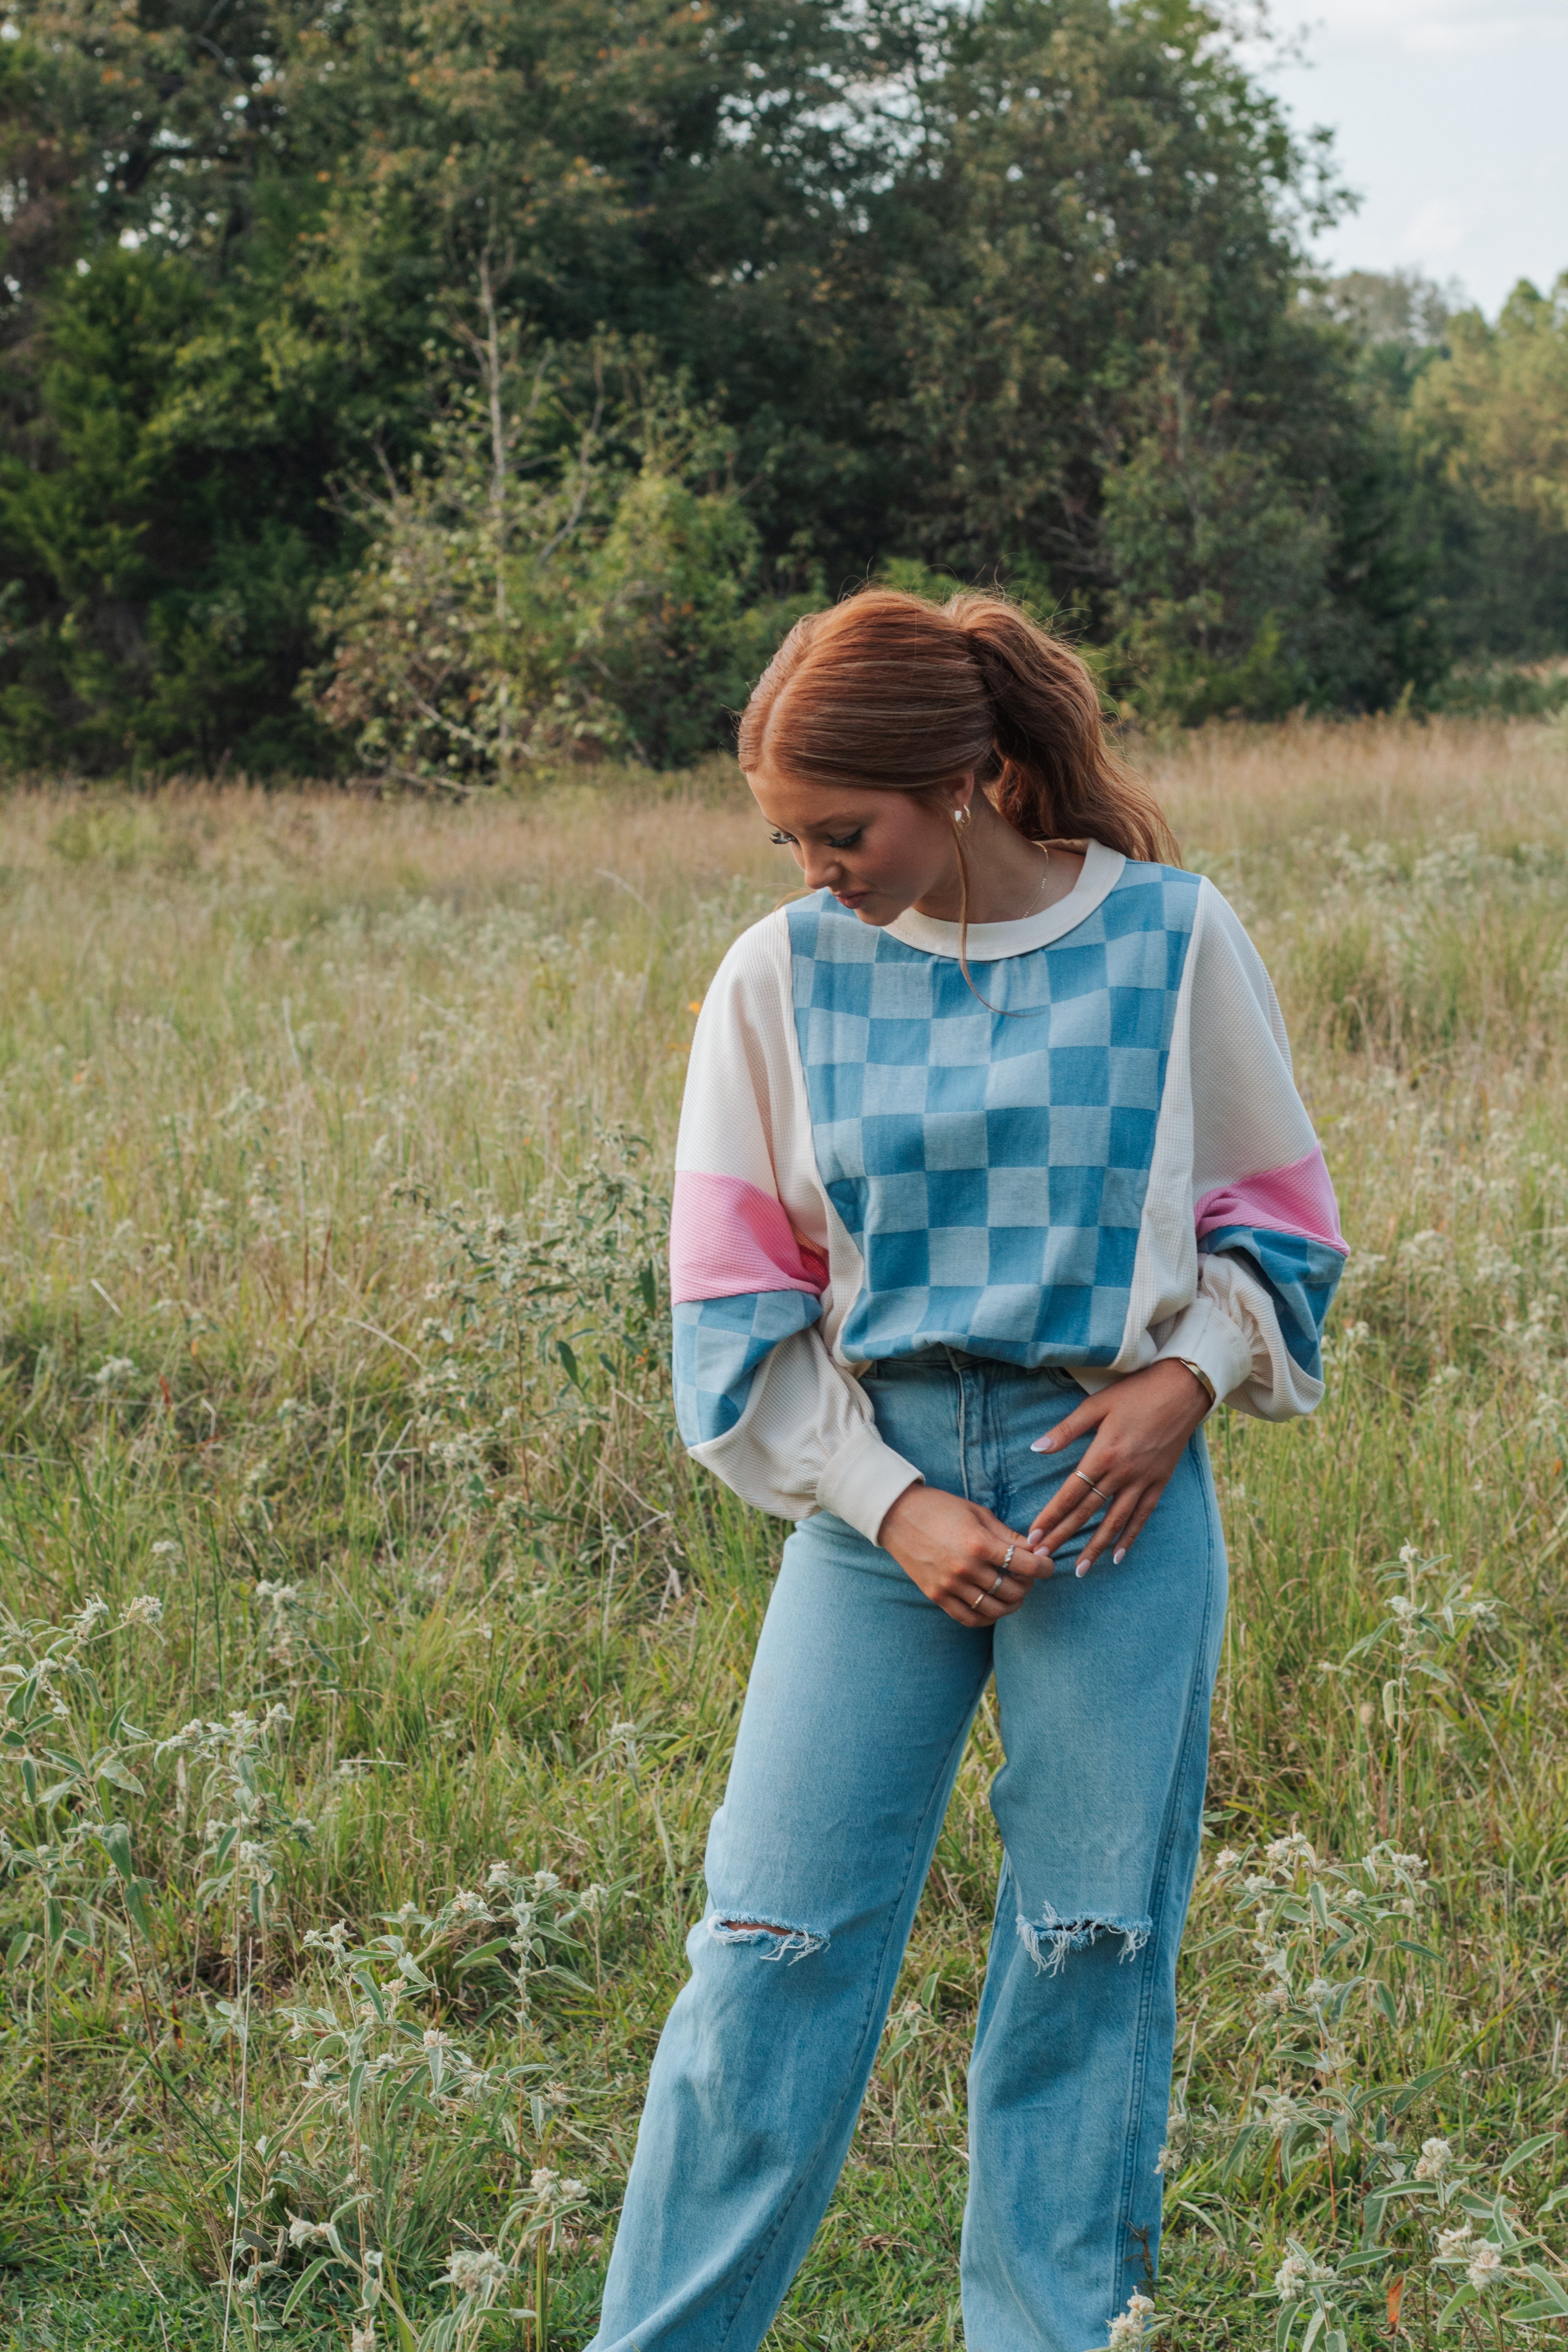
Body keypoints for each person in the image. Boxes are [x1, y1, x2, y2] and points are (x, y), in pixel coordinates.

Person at [588, 590, 1346, 2352]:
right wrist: (892, 1500)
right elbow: (728, 1304)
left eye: (841, 832)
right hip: (877, 1493)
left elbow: (1284, 1220)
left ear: (962, 778)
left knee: (1092, 1947)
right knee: (768, 1944)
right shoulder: (778, 975)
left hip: (1117, 1492)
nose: (815, 869)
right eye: (789, 839)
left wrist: (1187, 1379)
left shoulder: (1172, 938)